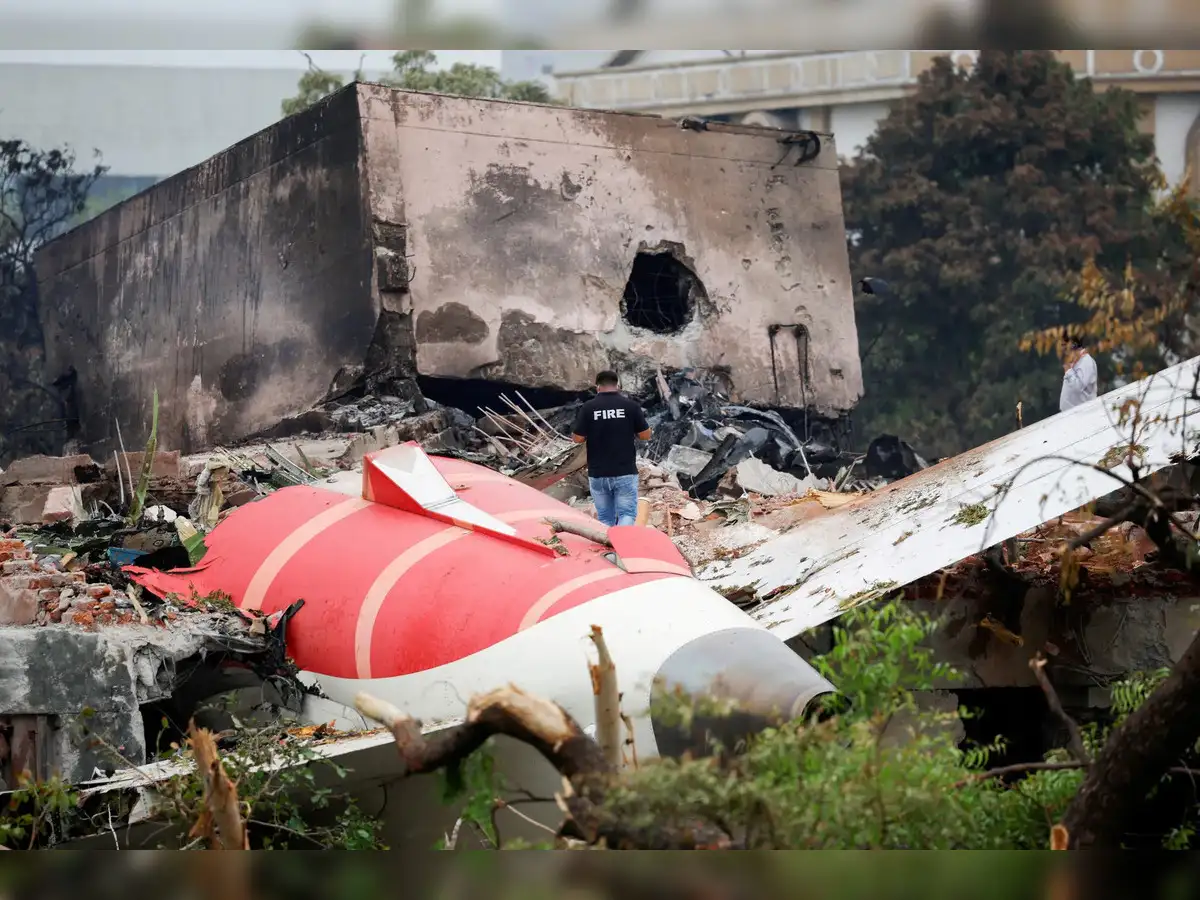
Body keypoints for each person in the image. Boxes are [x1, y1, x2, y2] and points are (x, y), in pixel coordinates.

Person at [571, 370, 652, 527]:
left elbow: (578, 438)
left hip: (598, 473)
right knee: (627, 514)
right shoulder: (630, 406)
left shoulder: (588, 408)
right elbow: (645, 435)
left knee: (605, 518)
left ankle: (607, 551)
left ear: (597, 387)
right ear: (618, 386)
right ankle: (621, 548)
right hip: (625, 472)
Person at [1060, 333, 1098, 412]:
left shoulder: (1086, 362)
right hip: (1073, 414)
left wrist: (1068, 371)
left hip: (1082, 413)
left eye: (1064, 345)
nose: (1062, 350)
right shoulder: (1076, 363)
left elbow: (1079, 387)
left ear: (1073, 345)